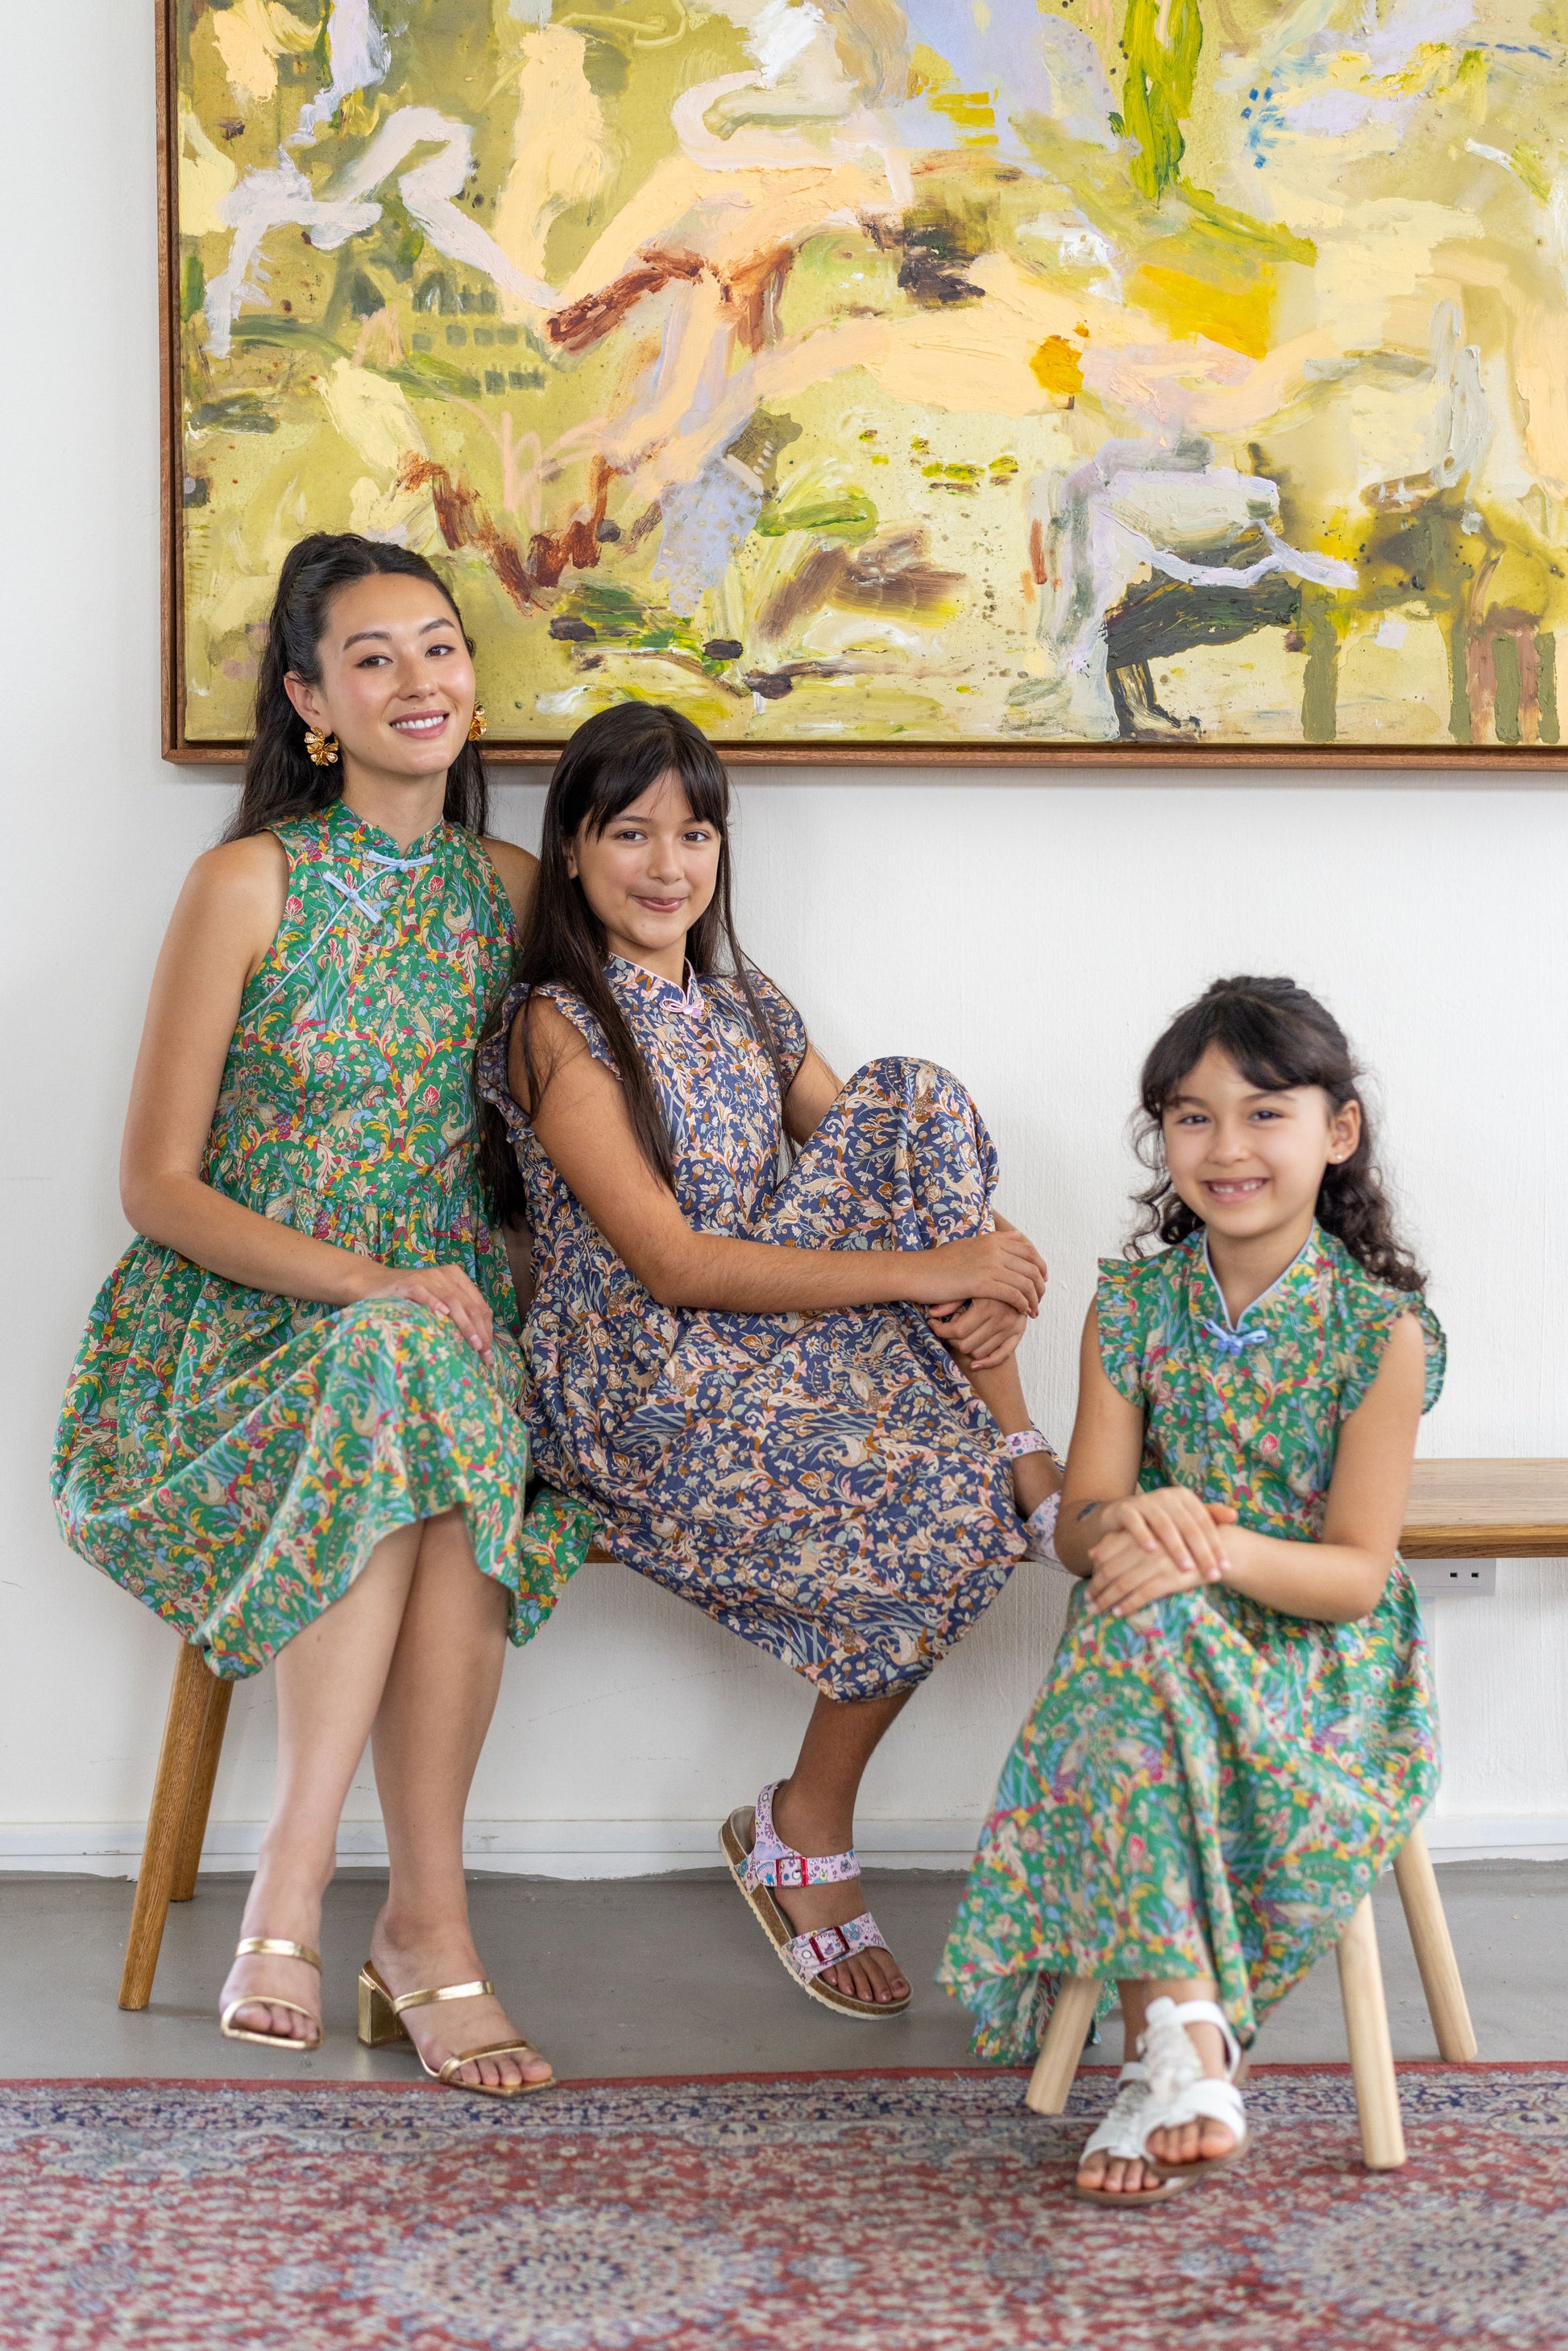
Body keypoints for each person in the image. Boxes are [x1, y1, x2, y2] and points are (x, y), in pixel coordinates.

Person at [52, 533, 590, 2092]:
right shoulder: (247, 882)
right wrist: (370, 1279)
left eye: (439, 647)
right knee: (406, 1366)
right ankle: (378, 1906)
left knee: (430, 1374)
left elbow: (634, 1074)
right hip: (236, 1329)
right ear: (308, 702)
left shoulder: (512, 896)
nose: (419, 680)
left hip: (445, 1327)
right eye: (373, 657)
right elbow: (158, 1186)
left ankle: (348, 1909)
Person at [475, 699, 1061, 2018]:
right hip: (640, 1381)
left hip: (778, 1350)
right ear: (571, 847)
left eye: (695, 833)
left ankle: (1017, 1441)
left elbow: (885, 1158)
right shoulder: (556, 1023)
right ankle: (806, 1829)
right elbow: (673, 1264)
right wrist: (939, 1264)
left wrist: (986, 1250)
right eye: (631, 832)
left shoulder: (746, 1000)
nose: (667, 863)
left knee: (913, 1096)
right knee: (942, 1505)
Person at [940, 976, 1445, 2201]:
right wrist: (1135, 1522)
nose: (1226, 1148)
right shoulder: (1130, 1308)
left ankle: (1161, 2053)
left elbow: (1355, 1575)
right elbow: (1084, 1527)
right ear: (1161, 1136)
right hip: (1151, 1626)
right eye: (1191, 1117)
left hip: (1320, 1664)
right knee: (1137, 1619)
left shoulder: (1379, 1331)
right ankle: (1187, 2043)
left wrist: (1200, 1547)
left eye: (1264, 1113)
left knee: (1141, 1622)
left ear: (1337, 1131)